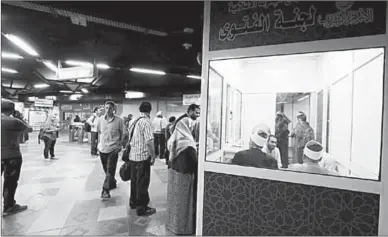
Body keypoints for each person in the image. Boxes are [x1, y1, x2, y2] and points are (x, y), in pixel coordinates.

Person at [166, 104, 200, 235]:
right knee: (184, 203)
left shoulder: (174, 140)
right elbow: (194, 163)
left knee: (174, 201)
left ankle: (172, 224)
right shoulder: (189, 145)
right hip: (185, 176)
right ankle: (183, 227)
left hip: (174, 173)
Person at [1, 98, 33, 216]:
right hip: (12, 156)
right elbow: (29, 128)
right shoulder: (14, 121)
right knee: (10, 182)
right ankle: (9, 206)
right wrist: (19, 117)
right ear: (11, 110)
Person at [126, 102, 156, 216]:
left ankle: (133, 202)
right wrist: (153, 156)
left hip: (132, 157)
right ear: (150, 110)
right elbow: (149, 142)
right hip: (142, 158)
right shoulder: (146, 122)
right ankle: (142, 208)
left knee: (134, 181)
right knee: (142, 183)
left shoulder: (133, 121)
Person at [97, 101, 125, 199]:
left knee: (110, 170)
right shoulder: (100, 119)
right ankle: (112, 182)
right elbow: (99, 133)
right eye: (106, 107)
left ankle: (105, 190)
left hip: (113, 149)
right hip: (102, 149)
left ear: (114, 109)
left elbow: (124, 134)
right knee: (106, 170)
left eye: (110, 108)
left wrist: (120, 146)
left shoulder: (119, 120)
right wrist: (98, 145)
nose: (108, 110)